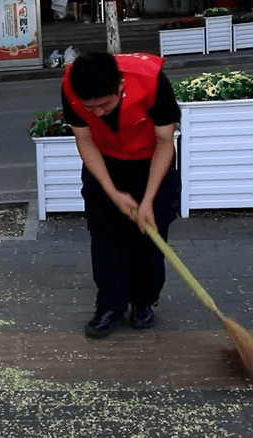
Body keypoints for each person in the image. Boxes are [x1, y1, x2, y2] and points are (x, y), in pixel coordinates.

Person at [60, 52, 181, 338]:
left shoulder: (152, 81)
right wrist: (113, 192)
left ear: (120, 87)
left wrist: (148, 200)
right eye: (92, 108)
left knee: (151, 234)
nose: (99, 113)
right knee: (104, 235)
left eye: (105, 104)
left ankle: (143, 302)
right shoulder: (72, 86)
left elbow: (166, 142)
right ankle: (110, 306)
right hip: (105, 162)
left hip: (151, 160)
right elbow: (84, 139)